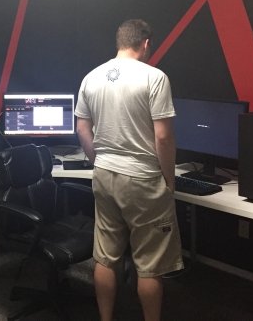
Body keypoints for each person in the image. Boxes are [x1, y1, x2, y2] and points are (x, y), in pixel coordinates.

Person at [75, 19, 183, 321]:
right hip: (143, 179)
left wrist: (98, 161)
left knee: (105, 257)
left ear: (119, 42)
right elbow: (163, 137)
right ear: (146, 44)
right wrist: (169, 180)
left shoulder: (91, 77)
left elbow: (82, 129)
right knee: (150, 265)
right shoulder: (155, 77)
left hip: (104, 174)